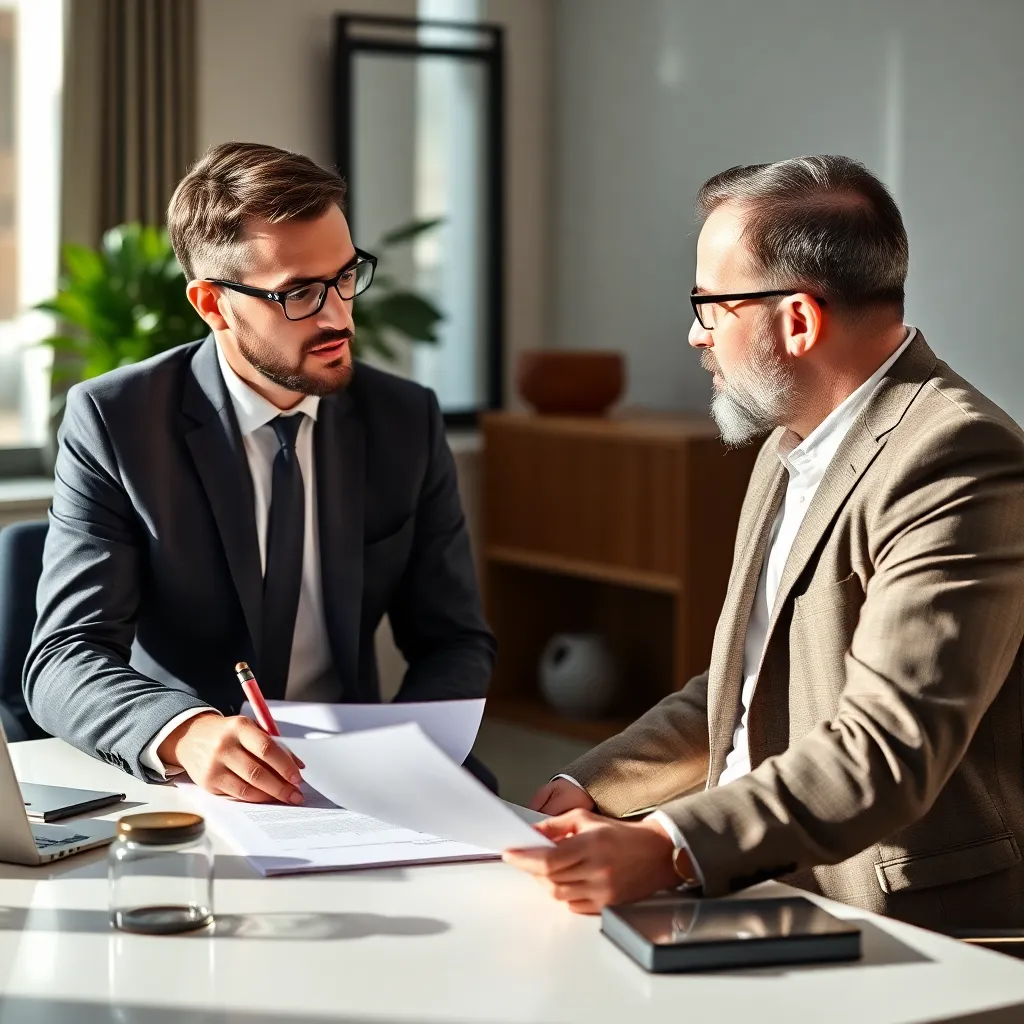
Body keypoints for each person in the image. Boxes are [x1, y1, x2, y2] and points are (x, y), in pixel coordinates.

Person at [505, 155, 1024, 930]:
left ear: (800, 320)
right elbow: (742, 687)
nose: (693, 334)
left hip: (902, 924)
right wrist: (588, 786)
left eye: (710, 305)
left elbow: (888, 745)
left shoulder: (957, 459)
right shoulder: (790, 442)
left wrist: (669, 844)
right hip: (760, 886)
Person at [24, 142, 496, 802]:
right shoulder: (118, 422)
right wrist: (186, 732)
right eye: (298, 293)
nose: (338, 315)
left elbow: (455, 641)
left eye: (344, 276)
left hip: (364, 779)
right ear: (212, 305)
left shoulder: (404, 420)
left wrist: (407, 758)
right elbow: (63, 659)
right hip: (195, 784)